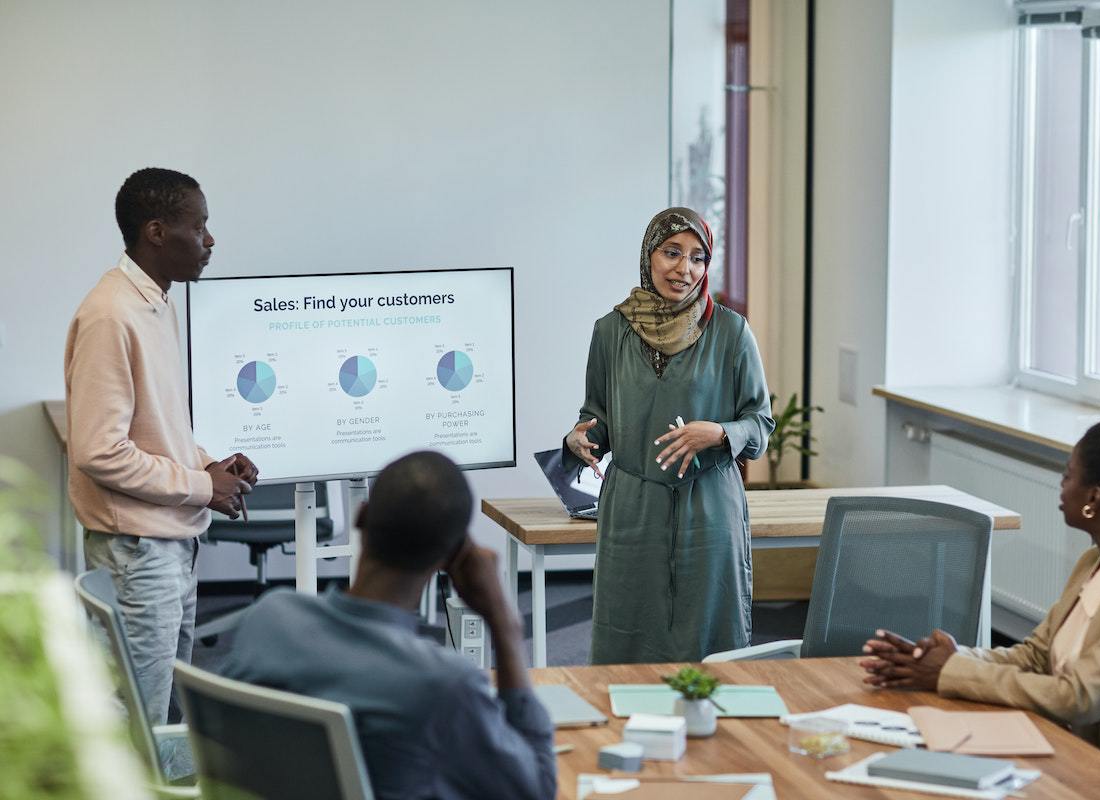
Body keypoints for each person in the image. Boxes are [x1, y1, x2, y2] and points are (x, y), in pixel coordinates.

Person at [860, 417, 1100, 775]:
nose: (1062, 485)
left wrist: (950, 671)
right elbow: (1036, 655)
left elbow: (1079, 697)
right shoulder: (1097, 559)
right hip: (1069, 748)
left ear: (1094, 497)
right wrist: (948, 657)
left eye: (1068, 475)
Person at [221, 451, 556, 800]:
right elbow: (535, 790)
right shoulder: (442, 687)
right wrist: (504, 623)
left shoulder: (268, 619)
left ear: (361, 516)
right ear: (452, 559)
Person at [65, 167, 257, 726]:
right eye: (199, 227)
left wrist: (207, 465)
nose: (210, 240)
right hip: (138, 552)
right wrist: (200, 486)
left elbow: (155, 426)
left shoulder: (154, 302)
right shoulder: (112, 314)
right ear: (155, 231)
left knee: (161, 716)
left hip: (167, 544)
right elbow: (99, 450)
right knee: (137, 721)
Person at [563, 207, 774, 664]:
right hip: (633, 508)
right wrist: (580, 439)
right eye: (672, 253)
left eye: (698, 258)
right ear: (649, 256)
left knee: (711, 636)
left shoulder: (731, 332)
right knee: (628, 632)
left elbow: (761, 425)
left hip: (710, 506)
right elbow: (596, 417)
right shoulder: (610, 331)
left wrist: (718, 432)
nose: (684, 269)